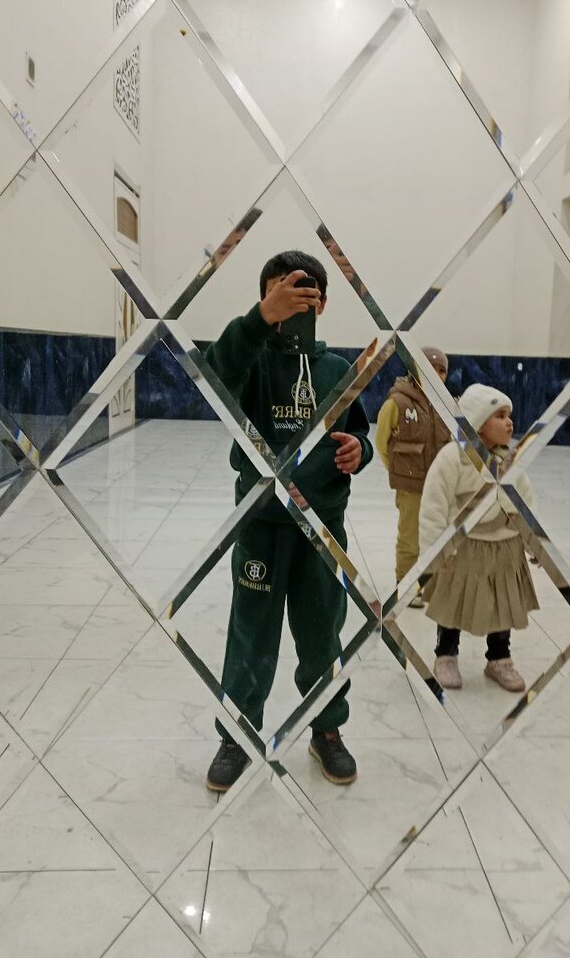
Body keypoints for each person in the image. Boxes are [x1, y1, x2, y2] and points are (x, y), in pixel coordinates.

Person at [203, 250, 373, 791]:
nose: (291, 301)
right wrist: (259, 320)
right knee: (250, 633)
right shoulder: (248, 359)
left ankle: (327, 729)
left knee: (322, 633)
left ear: (321, 303)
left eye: (303, 292)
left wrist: (360, 451)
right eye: (279, 291)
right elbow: (214, 376)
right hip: (261, 525)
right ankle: (236, 734)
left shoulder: (337, 370)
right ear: (264, 297)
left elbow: (358, 429)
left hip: (321, 528)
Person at [419, 384, 538, 692]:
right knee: (454, 602)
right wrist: (435, 549)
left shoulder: (510, 461)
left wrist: (534, 542)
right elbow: (434, 506)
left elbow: (525, 503)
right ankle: (446, 654)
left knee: (502, 603)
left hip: (505, 546)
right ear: (478, 423)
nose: (509, 422)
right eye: (500, 416)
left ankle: (499, 658)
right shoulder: (452, 459)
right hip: (463, 547)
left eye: (509, 415)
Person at [375, 348, 451, 606]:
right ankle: (407, 585)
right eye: (430, 369)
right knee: (410, 537)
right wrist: (399, 470)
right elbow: (382, 442)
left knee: (439, 534)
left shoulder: (449, 406)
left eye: (441, 370)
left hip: (441, 486)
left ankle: (432, 583)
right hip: (411, 485)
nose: (436, 375)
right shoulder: (397, 402)